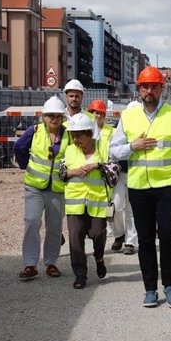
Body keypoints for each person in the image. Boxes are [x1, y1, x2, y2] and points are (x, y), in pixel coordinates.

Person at [109, 66, 171, 308]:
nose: (149, 91)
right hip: (139, 187)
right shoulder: (128, 116)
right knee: (145, 240)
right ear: (139, 90)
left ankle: (169, 285)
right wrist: (132, 147)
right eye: (145, 87)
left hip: (168, 185)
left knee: (167, 234)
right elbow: (112, 151)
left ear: (161, 89)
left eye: (154, 86)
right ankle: (150, 288)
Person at [13, 96, 69, 281]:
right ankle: (30, 264)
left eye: (58, 116)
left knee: (54, 227)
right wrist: (25, 166)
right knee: (31, 222)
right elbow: (19, 147)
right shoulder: (34, 131)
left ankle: (51, 263)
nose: (54, 119)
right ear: (43, 116)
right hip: (35, 187)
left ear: (63, 117)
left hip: (57, 189)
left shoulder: (68, 134)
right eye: (50, 115)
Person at [59, 113, 110, 289]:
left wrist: (97, 166)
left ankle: (99, 258)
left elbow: (115, 170)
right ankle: (80, 274)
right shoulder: (70, 150)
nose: (75, 139)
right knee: (75, 238)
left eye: (79, 135)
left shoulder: (103, 148)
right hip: (75, 203)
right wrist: (72, 172)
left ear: (89, 134)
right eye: (73, 135)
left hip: (97, 202)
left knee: (98, 234)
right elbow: (61, 173)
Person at [88, 99, 137, 255]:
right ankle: (119, 235)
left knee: (132, 210)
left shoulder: (144, 130)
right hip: (119, 174)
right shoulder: (119, 131)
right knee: (114, 207)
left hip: (137, 174)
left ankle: (130, 242)